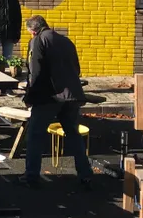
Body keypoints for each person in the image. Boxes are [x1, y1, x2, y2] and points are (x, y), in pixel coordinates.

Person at [20, 15, 92, 189]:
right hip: (71, 95)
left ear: (32, 31)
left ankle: (31, 177)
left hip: (49, 97)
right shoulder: (66, 41)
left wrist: (29, 96)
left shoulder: (38, 41)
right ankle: (85, 174)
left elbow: (35, 72)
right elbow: (76, 68)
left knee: (35, 135)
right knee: (73, 135)